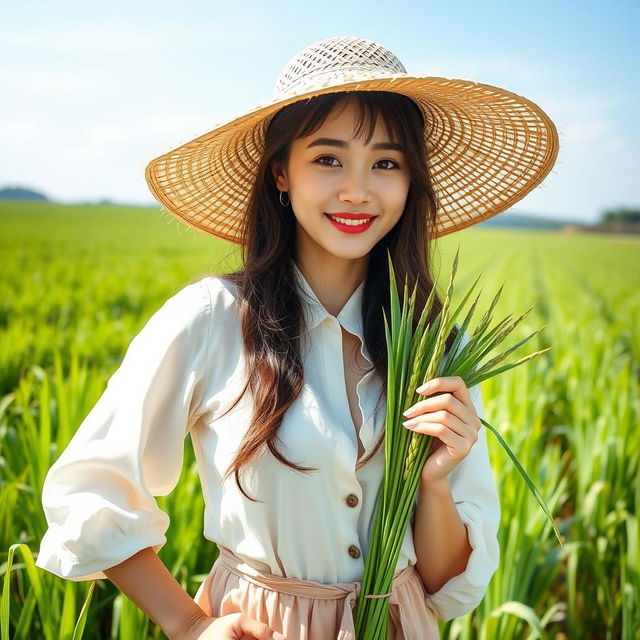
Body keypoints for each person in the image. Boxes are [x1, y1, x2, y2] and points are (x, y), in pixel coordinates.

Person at [35, 35, 559, 640]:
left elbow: (445, 587)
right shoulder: (213, 317)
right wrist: (188, 624)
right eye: (328, 159)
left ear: (411, 180)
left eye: (386, 163)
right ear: (282, 171)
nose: (358, 189)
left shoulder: (434, 340)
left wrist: (436, 477)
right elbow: (90, 485)